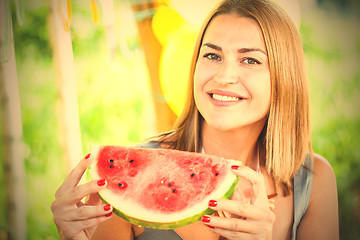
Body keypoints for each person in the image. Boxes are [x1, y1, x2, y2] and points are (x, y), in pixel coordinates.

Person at [51, 0, 339, 239]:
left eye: (250, 60)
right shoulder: (129, 177)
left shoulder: (314, 181)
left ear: (284, 76)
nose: (223, 76)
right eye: (212, 55)